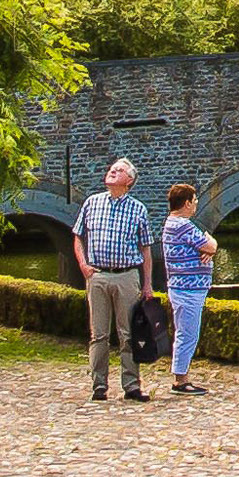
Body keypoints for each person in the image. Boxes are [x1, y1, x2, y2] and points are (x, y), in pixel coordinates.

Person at [74, 157, 155, 404]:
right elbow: (77, 236)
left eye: (118, 171)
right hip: (98, 274)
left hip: (126, 275)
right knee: (98, 334)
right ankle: (99, 385)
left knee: (128, 333)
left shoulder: (138, 209)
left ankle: (131, 385)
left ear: (129, 181)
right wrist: (84, 266)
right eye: (111, 169)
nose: (112, 172)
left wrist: (147, 283)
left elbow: (146, 249)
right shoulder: (91, 203)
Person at [159, 184, 218, 396]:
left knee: (186, 332)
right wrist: (210, 243)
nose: (195, 205)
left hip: (185, 289)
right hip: (188, 290)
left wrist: (205, 248)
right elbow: (210, 245)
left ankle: (181, 377)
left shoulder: (174, 224)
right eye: (194, 201)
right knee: (188, 334)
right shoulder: (182, 225)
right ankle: (180, 381)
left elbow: (204, 247)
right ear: (186, 203)